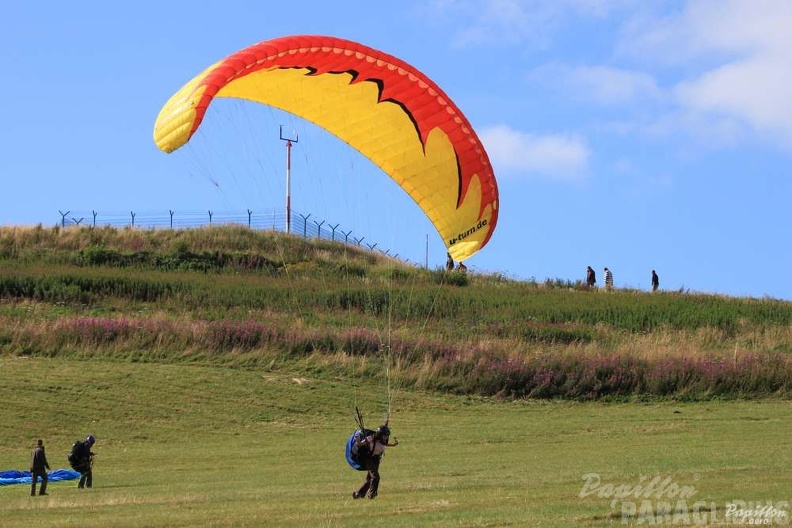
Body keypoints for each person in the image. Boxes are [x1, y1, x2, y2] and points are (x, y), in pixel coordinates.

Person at [352, 424, 398, 500]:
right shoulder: (371, 438)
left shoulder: (383, 441)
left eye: (387, 436)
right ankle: (372, 494)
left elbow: (384, 444)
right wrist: (357, 439)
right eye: (385, 435)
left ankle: (358, 494)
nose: (386, 437)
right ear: (380, 435)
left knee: (370, 479)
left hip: (376, 460)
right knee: (375, 477)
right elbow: (360, 444)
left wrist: (393, 445)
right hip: (368, 459)